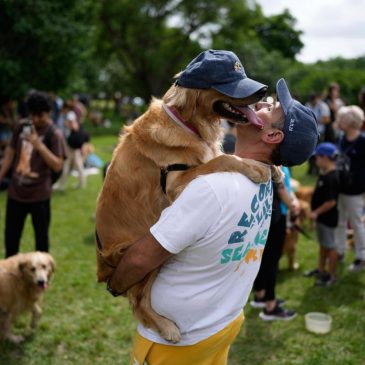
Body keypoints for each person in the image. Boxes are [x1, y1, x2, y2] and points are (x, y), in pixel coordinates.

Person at [107, 73, 318, 365]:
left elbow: (140, 259)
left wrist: (115, 283)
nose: (260, 103)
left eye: (271, 108)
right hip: (224, 322)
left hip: (179, 341)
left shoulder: (211, 189)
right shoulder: (266, 178)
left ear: (271, 135)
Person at [0, 91, 66, 257]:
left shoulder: (54, 134)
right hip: (16, 192)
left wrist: (39, 145)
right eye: (32, 115)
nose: (35, 119)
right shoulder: (22, 126)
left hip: (40, 196)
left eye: (40, 115)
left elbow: (58, 166)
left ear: (49, 112)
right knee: (11, 241)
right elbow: (10, 151)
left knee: (41, 243)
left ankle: (41, 281)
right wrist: (1, 174)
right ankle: (9, 278)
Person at [251, 165, 300, 320]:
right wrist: (293, 207)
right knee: (272, 261)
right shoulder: (278, 165)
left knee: (261, 258)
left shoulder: (260, 161)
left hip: (260, 216)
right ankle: (270, 306)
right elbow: (282, 189)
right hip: (276, 217)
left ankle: (260, 295)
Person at [304, 142, 340, 286]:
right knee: (324, 245)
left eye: (317, 157)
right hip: (322, 219)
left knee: (330, 247)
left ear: (325, 158)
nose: (316, 161)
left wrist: (316, 212)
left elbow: (331, 202)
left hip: (328, 219)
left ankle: (331, 276)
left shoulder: (332, 178)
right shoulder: (325, 174)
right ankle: (321, 269)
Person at [334, 105, 365, 271]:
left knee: (356, 223)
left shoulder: (362, 141)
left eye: (342, 119)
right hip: (339, 187)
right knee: (339, 222)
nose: (339, 122)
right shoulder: (341, 138)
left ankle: (362, 256)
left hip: (355, 190)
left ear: (351, 122)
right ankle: (340, 251)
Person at [54, 101, 88, 190]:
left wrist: (66, 124)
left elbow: (74, 127)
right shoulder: (72, 114)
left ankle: (61, 185)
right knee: (78, 163)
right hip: (72, 144)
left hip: (70, 143)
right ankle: (81, 182)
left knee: (66, 164)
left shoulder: (70, 115)